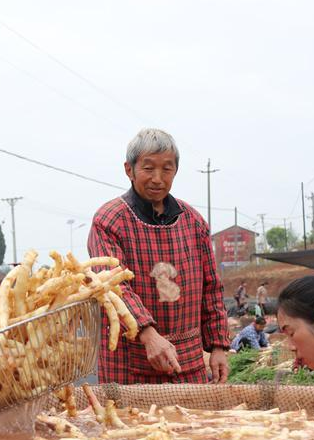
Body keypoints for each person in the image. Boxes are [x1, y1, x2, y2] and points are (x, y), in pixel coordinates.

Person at [88, 128, 229, 384]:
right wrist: (148, 333)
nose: (157, 178)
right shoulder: (109, 221)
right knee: (133, 423)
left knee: (191, 423)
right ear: (129, 170)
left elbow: (211, 288)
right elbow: (113, 286)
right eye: (148, 168)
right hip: (130, 359)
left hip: (188, 361)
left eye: (167, 169)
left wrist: (218, 346)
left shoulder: (193, 222)